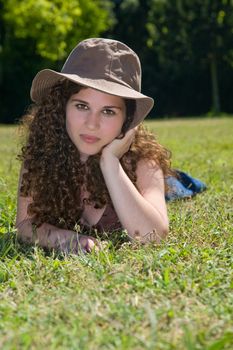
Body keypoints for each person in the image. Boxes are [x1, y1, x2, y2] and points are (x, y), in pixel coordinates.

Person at [16, 38, 205, 254]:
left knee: (179, 185)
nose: (92, 124)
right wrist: (66, 239)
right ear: (62, 106)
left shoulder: (143, 160)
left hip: (155, 179)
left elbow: (151, 237)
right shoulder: (42, 153)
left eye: (108, 111)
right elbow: (25, 224)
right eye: (81, 106)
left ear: (128, 119)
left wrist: (111, 162)